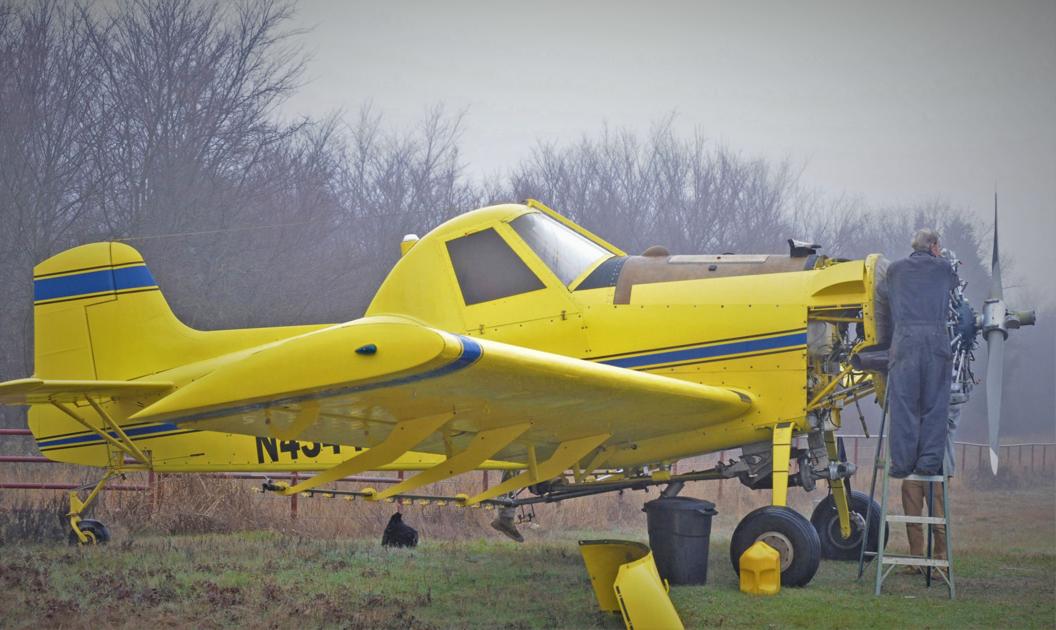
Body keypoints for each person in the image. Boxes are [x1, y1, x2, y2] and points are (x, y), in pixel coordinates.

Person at [884, 228, 957, 479]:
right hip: (936, 340)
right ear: (934, 246)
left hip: (904, 340)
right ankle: (928, 462)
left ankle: (902, 463)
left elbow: (885, 295)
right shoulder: (944, 268)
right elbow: (953, 290)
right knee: (935, 404)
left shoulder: (894, 270)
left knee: (904, 403)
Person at [900, 400, 961, 571]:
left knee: (938, 519)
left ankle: (941, 562)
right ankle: (915, 561)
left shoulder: (951, 402)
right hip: (913, 469)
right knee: (912, 518)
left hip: (938, 470)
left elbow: (944, 424)